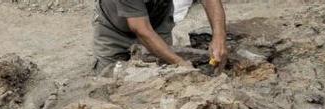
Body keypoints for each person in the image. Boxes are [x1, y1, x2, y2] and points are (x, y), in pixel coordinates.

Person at [92, 0, 228, 75]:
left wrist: (219, 38)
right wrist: (180, 63)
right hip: (114, 32)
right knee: (110, 79)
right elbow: (141, 28)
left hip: (157, 23)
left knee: (163, 73)